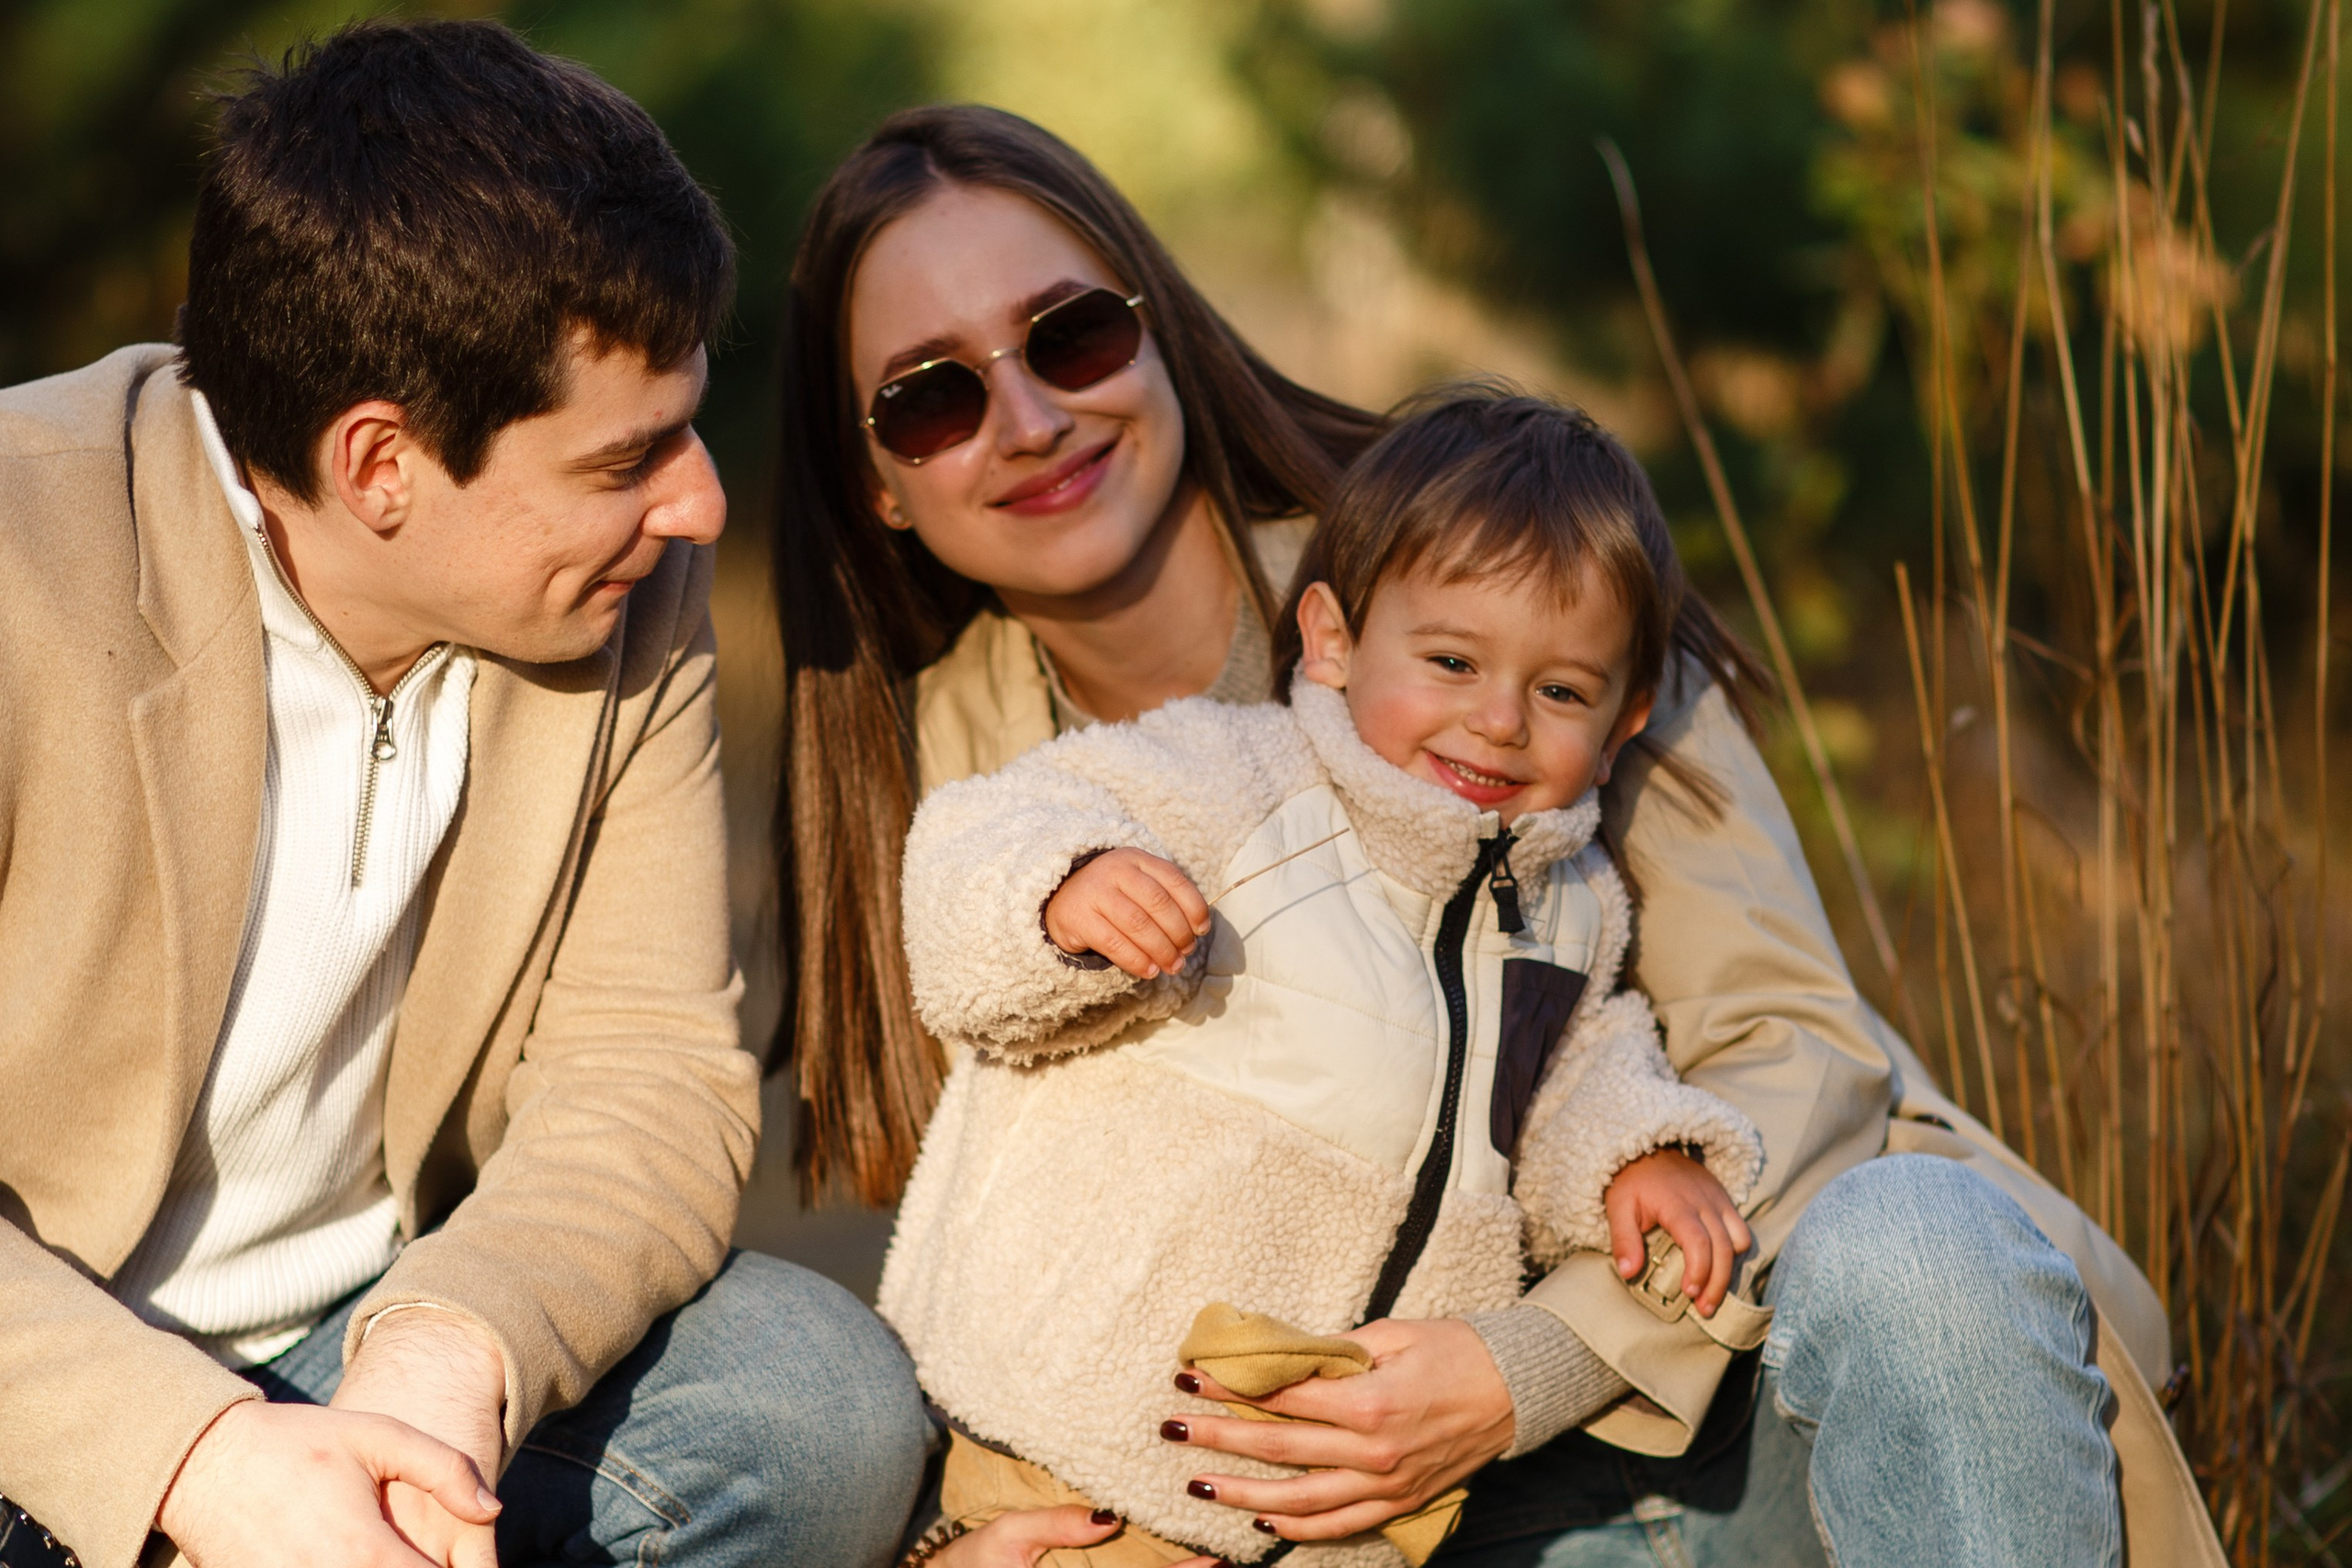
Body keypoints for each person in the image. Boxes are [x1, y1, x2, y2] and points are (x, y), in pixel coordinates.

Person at [772, 105, 2222, 1566]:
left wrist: (1528, 1358)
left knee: (1918, 1232)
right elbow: (1014, 1277)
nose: (1027, 417)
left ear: (1162, 330)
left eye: (1072, 333)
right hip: (1387, 1530)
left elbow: (1793, 1050)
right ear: (875, 479)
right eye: (930, 399)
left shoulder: (1505, 569)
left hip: (1749, 1400)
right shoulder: (951, 787)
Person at [0, 21, 925, 1568]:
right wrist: (200, 1461)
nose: (698, 499)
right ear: (381, 463)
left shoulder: (632, 588)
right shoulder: (24, 556)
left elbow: (647, 1064)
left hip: (351, 1342)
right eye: (625, 457)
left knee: (816, 1400)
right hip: (39, 1383)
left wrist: (447, 1358)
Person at [887, 389, 1766, 1564]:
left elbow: (1563, 1080)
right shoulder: (1233, 780)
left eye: (1560, 691)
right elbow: (973, 836)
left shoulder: (1570, 908)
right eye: (1451, 660)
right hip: (1076, 1449)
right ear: (1335, 639)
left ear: (1624, 717)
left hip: (1327, 1509)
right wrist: (1063, 884)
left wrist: (1636, 1152)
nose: (1498, 720)